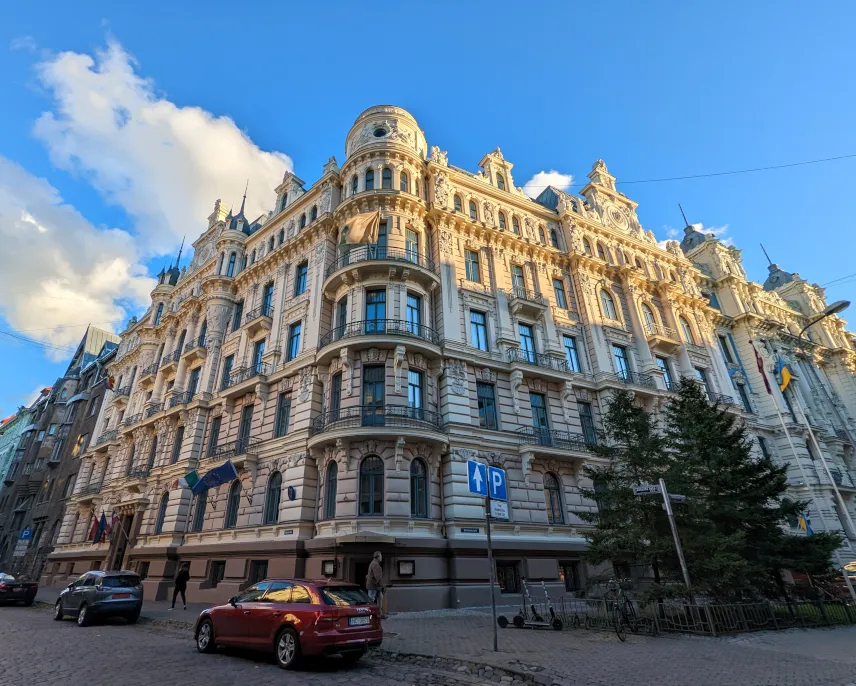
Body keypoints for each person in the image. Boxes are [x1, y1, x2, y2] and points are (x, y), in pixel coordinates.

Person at [366, 551, 385, 617]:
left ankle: (379, 613)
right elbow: (377, 577)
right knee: (371, 600)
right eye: (380, 556)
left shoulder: (374, 563)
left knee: (380, 598)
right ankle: (369, 614)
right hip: (373, 586)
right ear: (377, 557)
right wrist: (381, 585)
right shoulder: (375, 564)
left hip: (374, 586)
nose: (381, 557)